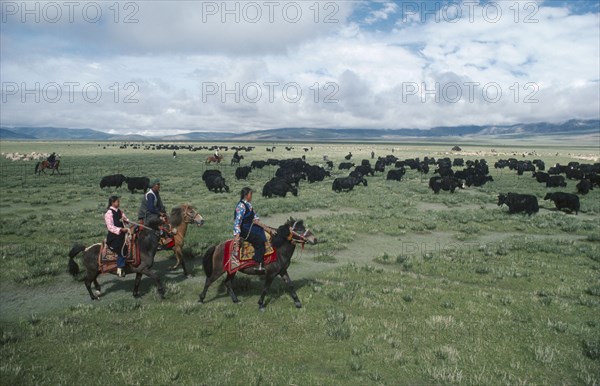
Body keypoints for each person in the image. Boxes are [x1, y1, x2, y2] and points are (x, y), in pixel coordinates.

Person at [233, 187, 275, 273]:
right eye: (250, 194)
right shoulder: (241, 206)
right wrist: (237, 237)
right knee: (259, 240)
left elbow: (255, 218)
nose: (251, 196)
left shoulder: (249, 204)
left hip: (251, 227)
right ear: (246, 195)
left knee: (266, 235)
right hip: (245, 229)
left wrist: (266, 228)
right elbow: (237, 222)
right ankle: (257, 263)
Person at [105, 195, 130, 277]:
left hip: (122, 234)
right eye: (117, 201)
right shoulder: (109, 213)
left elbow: (126, 219)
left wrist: (125, 220)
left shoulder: (120, 211)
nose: (119, 203)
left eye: (119, 201)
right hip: (114, 237)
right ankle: (120, 267)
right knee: (122, 247)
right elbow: (110, 227)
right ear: (112, 203)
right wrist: (121, 229)